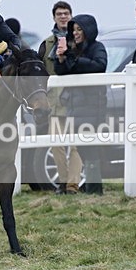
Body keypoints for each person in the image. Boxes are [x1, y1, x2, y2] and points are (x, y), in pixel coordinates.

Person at [54, 14, 107, 195]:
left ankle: (95, 188)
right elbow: (62, 72)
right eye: (73, 30)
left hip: (92, 105)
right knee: (83, 148)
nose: (75, 33)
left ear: (88, 30)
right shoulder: (74, 49)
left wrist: (72, 57)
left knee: (91, 147)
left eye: (79, 29)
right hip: (75, 107)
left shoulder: (97, 47)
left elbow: (99, 66)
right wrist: (61, 59)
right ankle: (93, 186)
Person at [38, 1, 82, 195]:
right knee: (56, 145)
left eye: (66, 13)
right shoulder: (47, 44)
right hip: (53, 103)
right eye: (59, 14)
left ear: (71, 15)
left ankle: (73, 185)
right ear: (54, 17)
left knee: (75, 146)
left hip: (74, 102)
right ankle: (63, 183)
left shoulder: (79, 41)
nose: (63, 17)